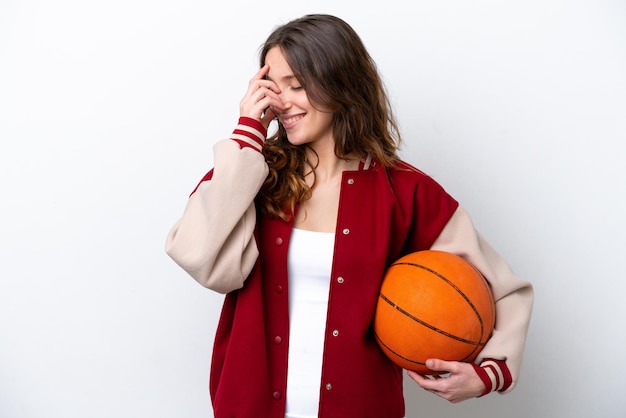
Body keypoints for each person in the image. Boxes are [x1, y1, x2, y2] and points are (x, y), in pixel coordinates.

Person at [165, 13, 533, 418]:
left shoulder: (405, 191)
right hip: (248, 406)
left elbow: (504, 289)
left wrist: (488, 374)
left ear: (340, 83)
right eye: (273, 88)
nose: (281, 102)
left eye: (297, 86)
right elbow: (194, 252)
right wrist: (248, 131)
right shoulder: (253, 172)